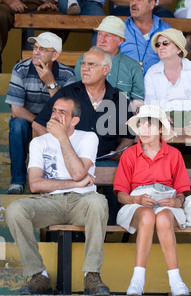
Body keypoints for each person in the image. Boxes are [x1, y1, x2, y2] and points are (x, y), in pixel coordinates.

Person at [5, 97, 110, 296]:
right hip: (51, 203)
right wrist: (74, 184)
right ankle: (38, 274)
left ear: (75, 120)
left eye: (63, 112)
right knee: (15, 210)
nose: (55, 115)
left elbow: (79, 172)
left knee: (98, 202)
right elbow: (35, 184)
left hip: (83, 202)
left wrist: (62, 138)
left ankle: (92, 274)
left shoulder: (89, 138)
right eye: (54, 110)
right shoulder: (38, 142)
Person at [32, 47, 135, 224]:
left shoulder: (119, 98)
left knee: (118, 179)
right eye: (83, 63)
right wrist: (59, 148)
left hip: (103, 159)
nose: (85, 68)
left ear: (106, 70)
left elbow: (128, 136)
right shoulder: (68, 93)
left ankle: (107, 233)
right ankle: (72, 234)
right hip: (71, 158)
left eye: (91, 64)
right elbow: (38, 124)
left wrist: (118, 151)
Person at [113, 105, 191, 296]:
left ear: (161, 129)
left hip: (166, 205)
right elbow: (121, 195)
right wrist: (136, 198)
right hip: (136, 205)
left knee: (163, 218)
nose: (144, 130)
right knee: (147, 216)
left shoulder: (174, 155)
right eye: (141, 125)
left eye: (150, 126)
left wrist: (175, 202)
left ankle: (176, 281)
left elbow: (182, 193)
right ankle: (137, 280)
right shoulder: (129, 154)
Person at [5, 32, 76, 195]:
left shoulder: (66, 74)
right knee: (17, 125)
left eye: (43, 49)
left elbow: (67, 111)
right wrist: (38, 123)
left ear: (55, 55)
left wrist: (51, 84)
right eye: (35, 47)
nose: (36, 52)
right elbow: (16, 111)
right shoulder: (21, 69)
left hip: (57, 122)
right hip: (29, 119)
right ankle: (17, 180)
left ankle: (54, 179)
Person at [74, 16, 144, 112]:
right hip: (88, 115)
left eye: (107, 36)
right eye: (99, 34)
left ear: (120, 41)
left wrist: (132, 108)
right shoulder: (83, 60)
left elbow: (138, 101)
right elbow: (76, 93)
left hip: (121, 118)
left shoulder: (133, 66)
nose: (101, 40)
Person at [145, 28, 191, 128]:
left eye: (165, 43)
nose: (161, 47)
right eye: (158, 44)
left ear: (179, 48)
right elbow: (150, 104)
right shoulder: (151, 72)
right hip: (162, 122)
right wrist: (160, 118)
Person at [120, 0, 171, 74]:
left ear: (152, 4)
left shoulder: (165, 30)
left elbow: (174, 61)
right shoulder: (120, 29)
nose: (133, 3)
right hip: (126, 86)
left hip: (158, 85)